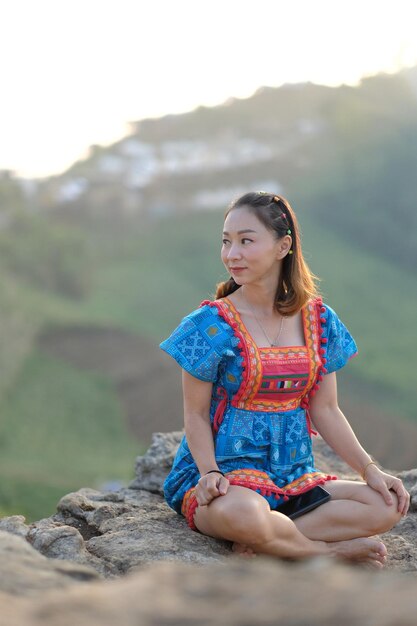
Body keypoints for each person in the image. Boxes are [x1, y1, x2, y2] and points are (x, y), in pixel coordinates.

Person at [160, 191, 410, 567]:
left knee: (387, 504)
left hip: (293, 474)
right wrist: (209, 471)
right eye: (226, 242)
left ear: (283, 246)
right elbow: (194, 416)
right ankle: (322, 552)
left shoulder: (319, 320)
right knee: (244, 514)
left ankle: (270, 537)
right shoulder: (208, 326)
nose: (232, 254)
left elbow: (325, 409)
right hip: (227, 479)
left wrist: (369, 469)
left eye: (246, 241)